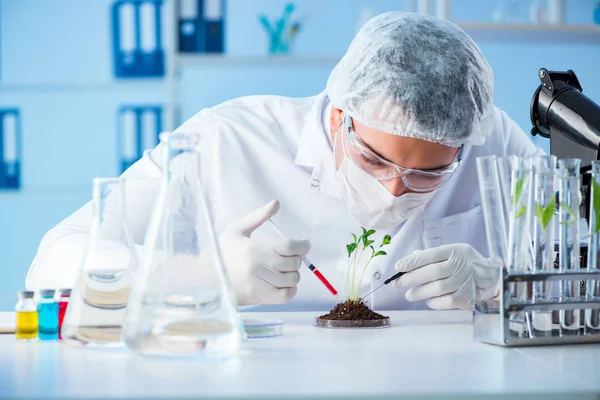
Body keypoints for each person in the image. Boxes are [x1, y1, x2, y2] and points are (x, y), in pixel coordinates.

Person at [26, 12, 541, 311]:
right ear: (340, 116)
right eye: (374, 160)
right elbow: (52, 262)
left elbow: (586, 263)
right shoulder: (227, 140)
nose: (393, 191)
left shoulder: (491, 141)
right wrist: (203, 273)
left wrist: (505, 285)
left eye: (427, 174)